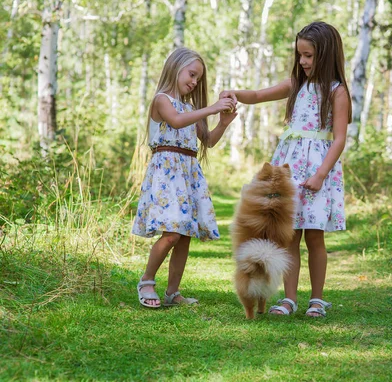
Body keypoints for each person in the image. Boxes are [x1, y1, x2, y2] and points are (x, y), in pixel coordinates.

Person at [220, 21, 351, 317]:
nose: (303, 62)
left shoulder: (336, 91)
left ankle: (317, 299)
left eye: (308, 56)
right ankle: (289, 299)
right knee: (288, 235)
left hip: (318, 169)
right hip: (290, 167)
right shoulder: (297, 85)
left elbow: (339, 139)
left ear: (326, 54)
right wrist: (234, 92)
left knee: (314, 235)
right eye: (300, 55)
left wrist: (320, 175)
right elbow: (257, 95)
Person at [133, 47, 237, 308]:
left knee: (185, 234)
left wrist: (223, 122)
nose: (194, 82)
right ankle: (146, 281)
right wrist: (212, 108)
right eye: (192, 74)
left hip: (188, 172)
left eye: (198, 79)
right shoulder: (162, 100)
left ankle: (172, 292)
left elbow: (209, 141)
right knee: (171, 233)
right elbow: (177, 121)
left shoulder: (192, 108)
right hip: (167, 172)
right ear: (175, 68)